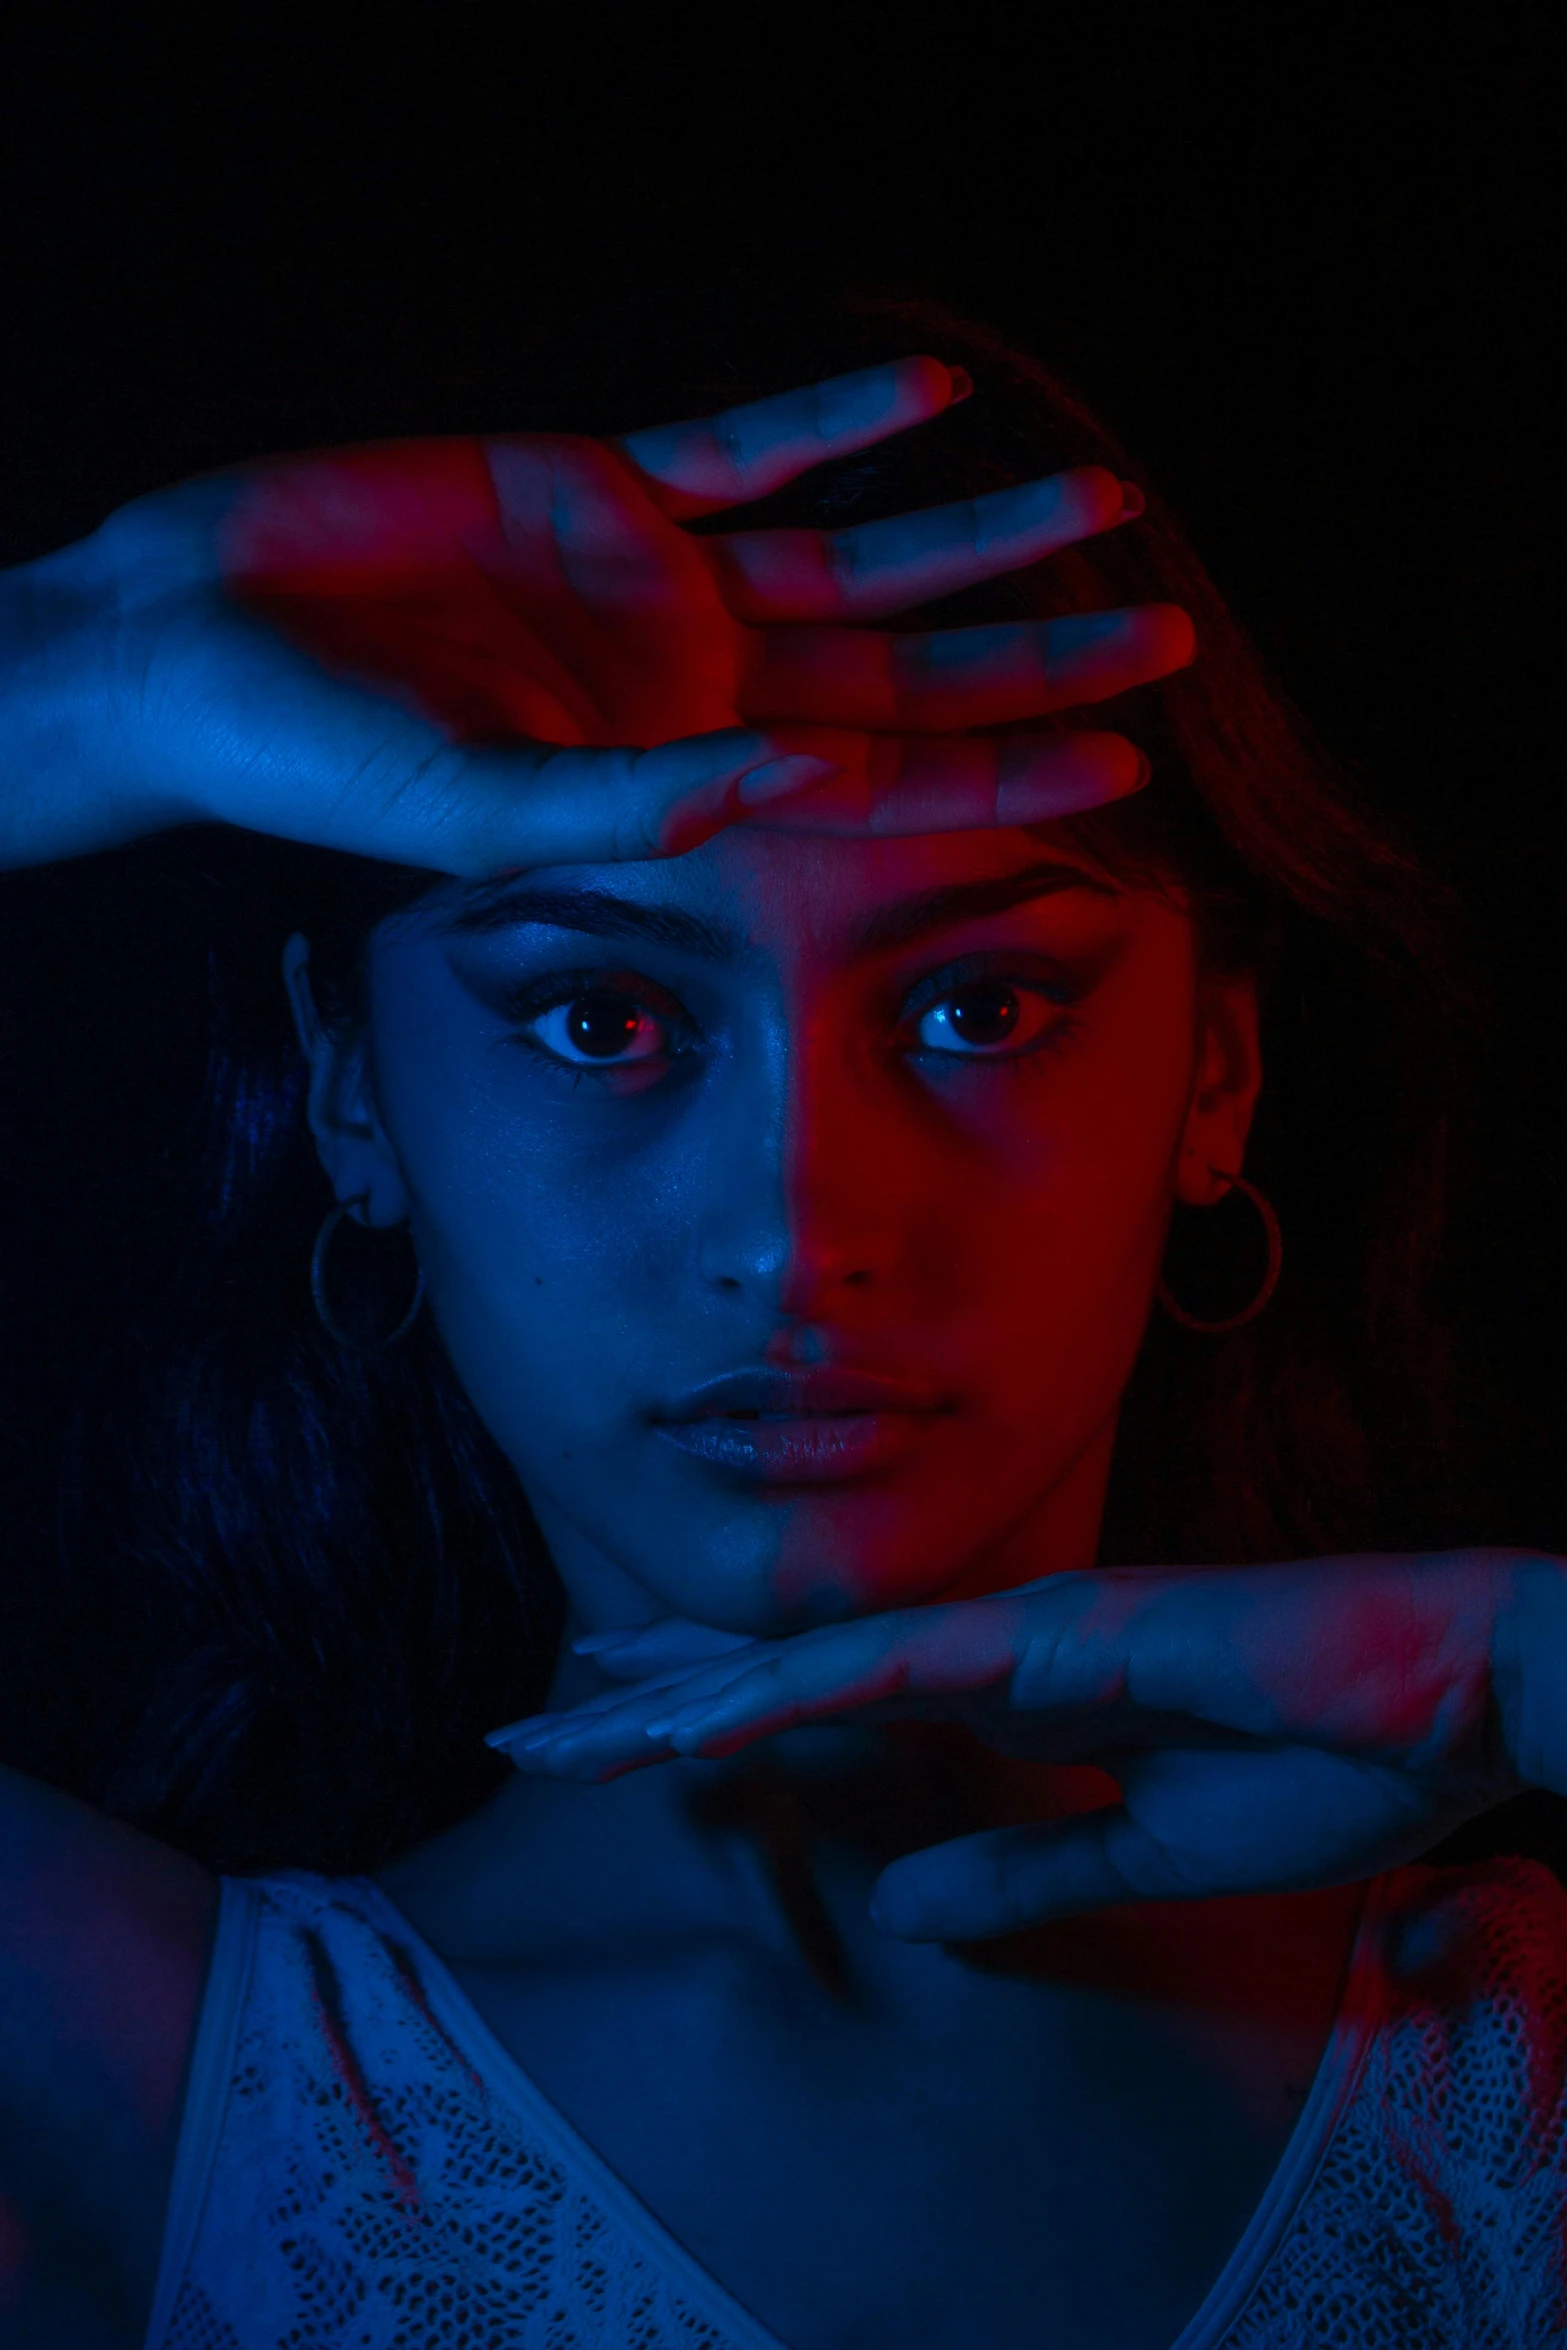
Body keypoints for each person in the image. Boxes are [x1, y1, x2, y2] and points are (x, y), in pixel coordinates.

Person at [1, 295, 1564, 2349]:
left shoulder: (1517, 2050)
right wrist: (84, 668)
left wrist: (1533, 1676)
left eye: (978, 1009)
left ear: (1218, 1074)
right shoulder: (116, 2085)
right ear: (352, 1087)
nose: (799, 1222)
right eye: (601, 1017)